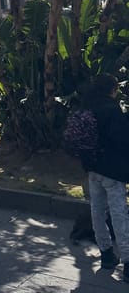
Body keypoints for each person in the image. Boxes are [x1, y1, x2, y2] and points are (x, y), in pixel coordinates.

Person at [82, 74, 129, 280]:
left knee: (97, 211)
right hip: (112, 171)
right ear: (112, 90)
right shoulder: (112, 110)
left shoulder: (87, 106)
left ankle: (106, 254)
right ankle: (128, 261)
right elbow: (122, 141)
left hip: (93, 169)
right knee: (119, 214)